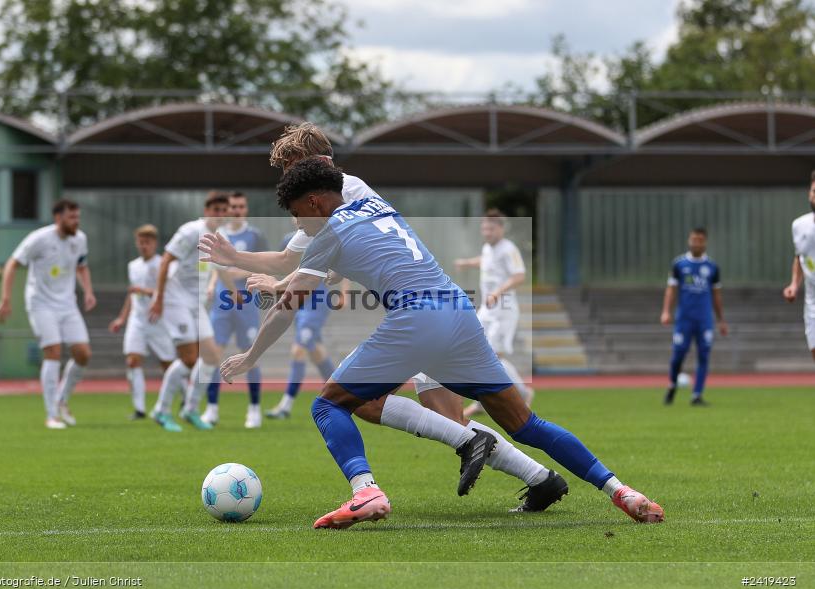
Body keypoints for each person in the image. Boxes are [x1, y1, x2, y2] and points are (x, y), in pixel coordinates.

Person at [205, 158, 664, 529]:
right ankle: (622, 491)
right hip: (458, 313)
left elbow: (288, 306)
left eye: (296, 213)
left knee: (328, 405)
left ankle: (367, 491)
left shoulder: (325, 231)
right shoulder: (372, 201)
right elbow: (301, 258)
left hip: (416, 319)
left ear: (314, 201)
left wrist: (251, 356)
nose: (298, 224)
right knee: (526, 423)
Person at [201, 122, 568, 513]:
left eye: (289, 166)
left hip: (419, 311)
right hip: (423, 309)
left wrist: (283, 291)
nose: (287, 176)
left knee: (358, 403)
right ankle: (540, 479)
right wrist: (239, 260)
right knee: (437, 415)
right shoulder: (316, 201)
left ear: (310, 162)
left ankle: (374, 488)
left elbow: (321, 261)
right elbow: (292, 259)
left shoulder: (345, 189)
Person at [0, 199, 95, 429]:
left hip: (68, 304)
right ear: (58, 218)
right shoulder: (38, 239)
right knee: (53, 352)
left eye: (78, 217)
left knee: (83, 354)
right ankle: (52, 415)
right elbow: (12, 264)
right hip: (41, 304)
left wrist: (88, 291)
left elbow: (82, 265)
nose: (76, 221)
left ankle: (62, 399)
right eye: (71, 217)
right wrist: (6, 299)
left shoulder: (80, 239)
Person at [148, 192, 228, 432]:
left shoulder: (218, 238)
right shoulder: (191, 231)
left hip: (196, 304)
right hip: (175, 299)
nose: (220, 215)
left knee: (212, 356)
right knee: (189, 358)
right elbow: (165, 261)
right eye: (216, 210)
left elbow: (219, 269)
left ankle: (190, 409)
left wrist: (234, 291)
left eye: (224, 211)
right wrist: (159, 297)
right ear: (206, 210)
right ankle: (161, 411)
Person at [255, 222, 348, 419]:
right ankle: (342, 396)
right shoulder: (290, 240)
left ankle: (286, 406)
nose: (297, 217)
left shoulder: (325, 237)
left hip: (317, 302)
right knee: (315, 351)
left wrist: (344, 293)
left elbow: (343, 263)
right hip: (297, 302)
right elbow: (279, 265)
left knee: (299, 349)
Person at [455, 209, 534, 417]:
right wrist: (466, 263)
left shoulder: (509, 249)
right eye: (484, 228)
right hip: (488, 308)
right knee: (477, 349)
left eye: (490, 228)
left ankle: (522, 393)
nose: (486, 232)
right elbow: (485, 260)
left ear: (500, 228)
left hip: (503, 309)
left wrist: (498, 292)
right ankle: (485, 400)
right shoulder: (488, 249)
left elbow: (519, 276)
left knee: (492, 356)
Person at [202, 191, 269, 428]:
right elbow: (214, 268)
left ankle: (254, 409)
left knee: (250, 356)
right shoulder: (219, 236)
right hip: (222, 303)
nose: (237, 210)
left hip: (246, 303)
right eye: (233, 206)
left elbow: (264, 266)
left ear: (246, 209)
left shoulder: (255, 236)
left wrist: (240, 270)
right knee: (212, 355)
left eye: (241, 206)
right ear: (227, 209)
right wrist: (212, 285)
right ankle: (211, 409)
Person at [108, 225, 177, 419]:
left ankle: (183, 400)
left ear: (155, 243)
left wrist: (144, 291)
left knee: (168, 365)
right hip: (137, 320)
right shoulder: (133, 265)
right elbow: (132, 294)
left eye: (147, 242)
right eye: (141, 242)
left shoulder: (162, 264)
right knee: (132, 360)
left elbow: (167, 292)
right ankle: (139, 408)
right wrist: (122, 317)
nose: (144, 246)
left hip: (157, 320)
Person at [660, 227, 728, 406]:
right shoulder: (679, 264)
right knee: (678, 355)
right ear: (689, 241)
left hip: (704, 319)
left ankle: (696, 394)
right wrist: (666, 311)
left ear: (705, 242)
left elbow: (716, 296)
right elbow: (671, 290)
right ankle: (672, 384)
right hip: (684, 319)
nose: (696, 243)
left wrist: (721, 320)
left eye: (700, 240)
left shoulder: (712, 267)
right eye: (693, 239)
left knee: (704, 355)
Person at [783, 170, 815, 363]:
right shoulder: (799, 225)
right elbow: (800, 257)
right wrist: (794, 284)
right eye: (813, 191)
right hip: (812, 302)